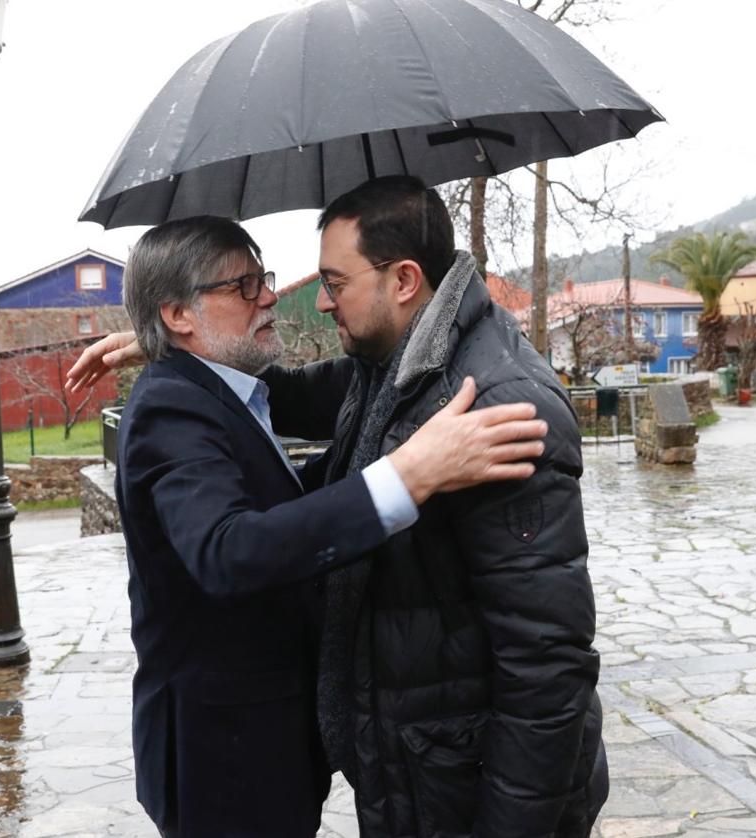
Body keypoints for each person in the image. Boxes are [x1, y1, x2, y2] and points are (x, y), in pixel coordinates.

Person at [108, 215, 549, 838]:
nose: (268, 296)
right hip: (225, 759)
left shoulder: (223, 390)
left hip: (264, 746)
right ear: (179, 315)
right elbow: (228, 550)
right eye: (243, 287)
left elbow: (303, 463)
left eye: (262, 277)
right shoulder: (171, 407)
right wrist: (409, 476)